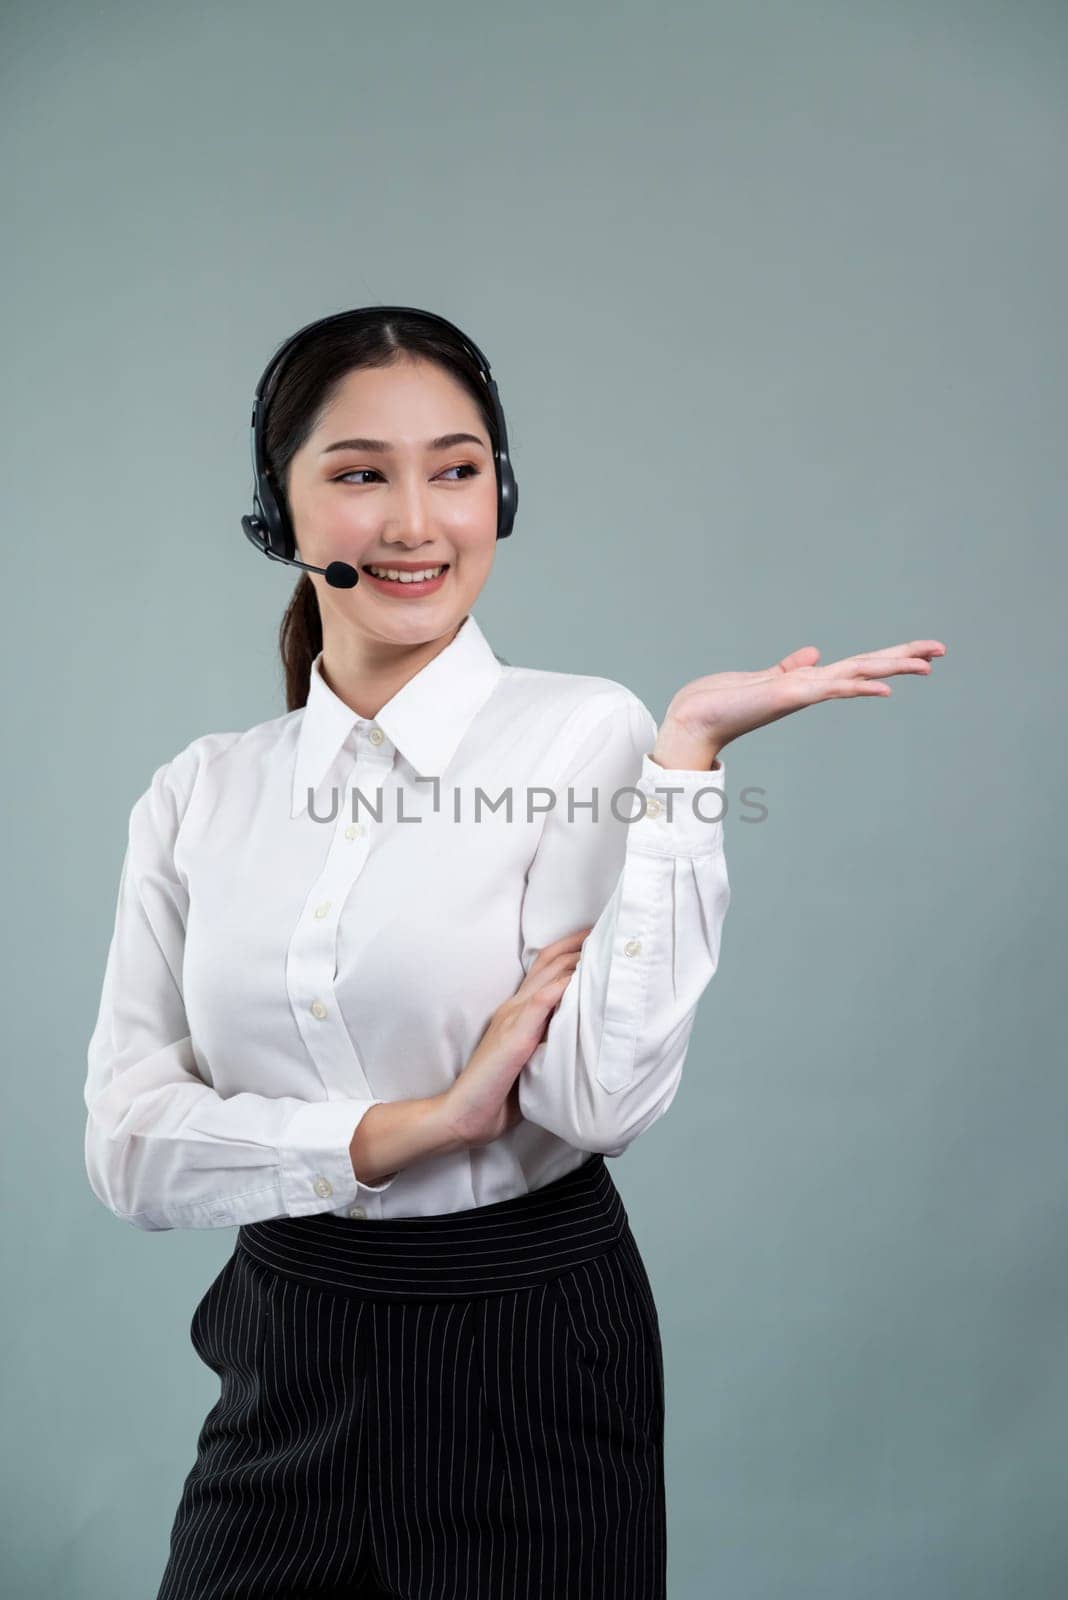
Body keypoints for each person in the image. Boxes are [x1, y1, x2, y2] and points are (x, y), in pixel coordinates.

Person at [83, 305, 945, 1599]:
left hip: (528, 1350)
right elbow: (131, 1152)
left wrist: (683, 767)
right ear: (284, 512)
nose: (419, 523)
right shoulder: (202, 791)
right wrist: (418, 1125)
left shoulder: (582, 735)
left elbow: (596, 1102)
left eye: (459, 469)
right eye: (362, 473)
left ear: (502, 492)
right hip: (285, 1346)